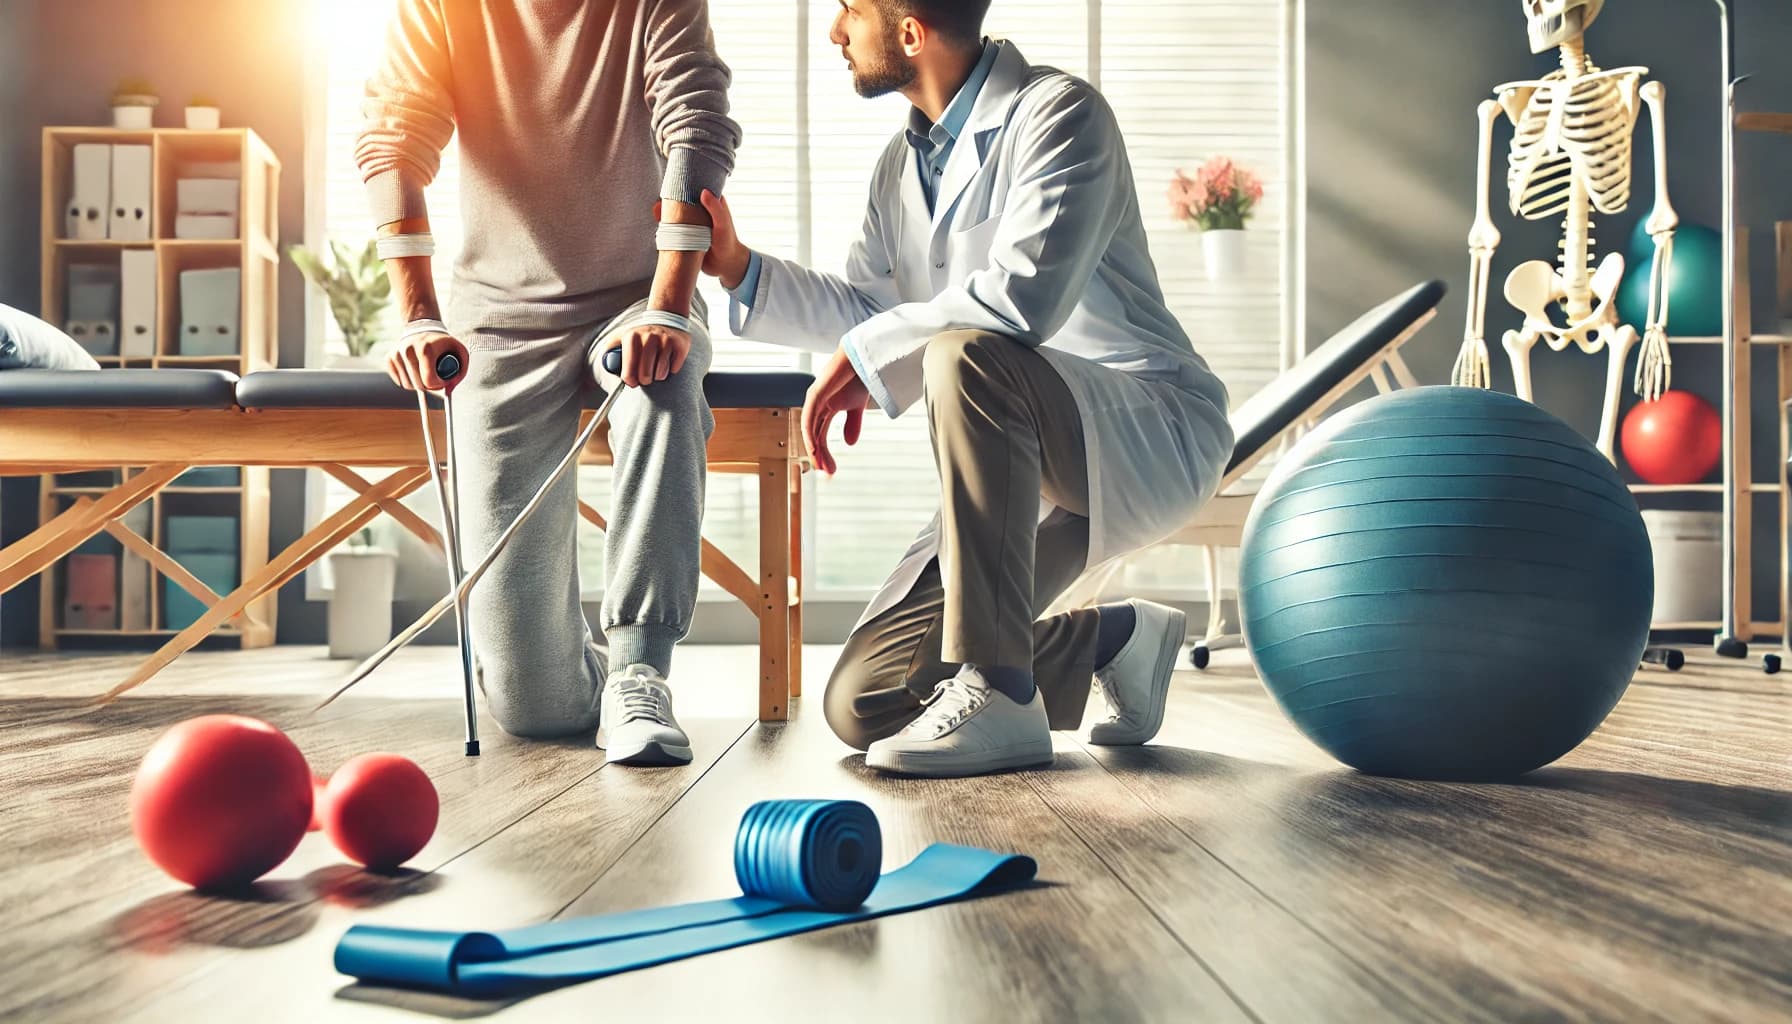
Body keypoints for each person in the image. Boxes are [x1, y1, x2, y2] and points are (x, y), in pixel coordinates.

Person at [697, 0, 1235, 777]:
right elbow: (874, 314)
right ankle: (1115, 642)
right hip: (1021, 465)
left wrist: (868, 355)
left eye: (849, 10)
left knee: (964, 355)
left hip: (1142, 428)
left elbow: (1021, 303)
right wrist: (740, 269)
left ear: (910, 33)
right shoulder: (901, 166)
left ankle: (1004, 692)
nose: (836, 31)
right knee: (865, 700)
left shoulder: (1061, 115)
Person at [356, 0, 742, 767]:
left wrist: (667, 308)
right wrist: (419, 317)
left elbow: (696, 125)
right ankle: (569, 676)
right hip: (499, 313)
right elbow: (394, 138)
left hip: (639, 296)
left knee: (664, 385)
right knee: (534, 709)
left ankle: (637, 672)